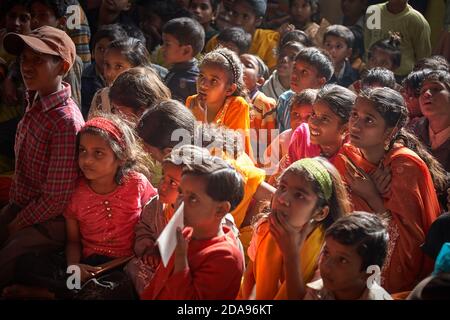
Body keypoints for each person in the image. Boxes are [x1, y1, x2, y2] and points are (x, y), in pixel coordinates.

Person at [2, 114, 156, 299]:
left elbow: (156, 217)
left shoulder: (137, 183)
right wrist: (75, 267)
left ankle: (48, 295)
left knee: (111, 290)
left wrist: (153, 248)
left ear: (121, 157)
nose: (87, 160)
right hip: (88, 263)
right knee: (29, 265)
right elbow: (73, 241)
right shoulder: (75, 192)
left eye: (98, 153)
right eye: (82, 151)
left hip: (126, 264)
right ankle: (61, 291)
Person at [333, 87, 445, 293]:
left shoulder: (405, 166)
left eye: (369, 120)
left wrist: (372, 196)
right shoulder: (349, 156)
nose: (356, 125)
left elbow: (408, 247)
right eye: (354, 115)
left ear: (389, 131)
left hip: (388, 279)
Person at [0, 26, 84, 288]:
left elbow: (56, 198)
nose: (27, 66)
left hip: (52, 219)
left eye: (38, 60)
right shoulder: (35, 100)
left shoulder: (64, 122)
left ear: (63, 66)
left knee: (8, 252)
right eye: (24, 59)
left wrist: (17, 225)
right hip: (23, 205)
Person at [239, 157, 351, 299]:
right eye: (282, 187)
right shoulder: (265, 227)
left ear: (320, 213)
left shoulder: (329, 252)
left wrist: (291, 255)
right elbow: (249, 280)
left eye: (299, 195)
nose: (282, 199)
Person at [140, 148, 245, 299]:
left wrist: (181, 258)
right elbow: (159, 280)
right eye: (181, 192)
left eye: (193, 198)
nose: (180, 203)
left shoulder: (226, 258)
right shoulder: (186, 232)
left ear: (221, 210)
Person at [186, 47, 253, 157]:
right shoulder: (192, 101)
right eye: (201, 76)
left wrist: (201, 124)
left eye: (213, 81)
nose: (203, 84)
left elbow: (231, 154)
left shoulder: (237, 105)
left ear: (229, 89)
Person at [363, 0, 431, 77]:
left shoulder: (416, 20)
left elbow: (423, 57)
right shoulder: (374, 11)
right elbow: (367, 45)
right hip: (372, 72)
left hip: (401, 76)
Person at [87, 37, 152, 119]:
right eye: (107, 64)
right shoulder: (102, 98)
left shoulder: (149, 100)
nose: (109, 73)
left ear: (137, 68)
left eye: (119, 66)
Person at [205, 0, 279, 70]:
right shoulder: (217, 41)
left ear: (258, 21)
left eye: (245, 16)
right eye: (235, 13)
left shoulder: (270, 42)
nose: (238, 21)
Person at [276, 47, 334, 133]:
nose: (294, 75)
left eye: (304, 72)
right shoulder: (284, 100)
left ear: (320, 81)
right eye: (295, 68)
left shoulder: (329, 107)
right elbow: (280, 138)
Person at [81, 23, 127, 118]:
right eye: (101, 49)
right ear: (93, 52)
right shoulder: (84, 78)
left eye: (111, 49)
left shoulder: (128, 76)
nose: (105, 54)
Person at [240, 53, 276, 165]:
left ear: (259, 81)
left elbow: (269, 142)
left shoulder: (265, 104)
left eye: (248, 65)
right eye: (238, 63)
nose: (241, 66)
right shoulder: (226, 98)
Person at [161, 17, 204, 103]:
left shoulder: (192, 82)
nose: (162, 48)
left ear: (186, 50)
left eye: (167, 44)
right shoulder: (177, 70)